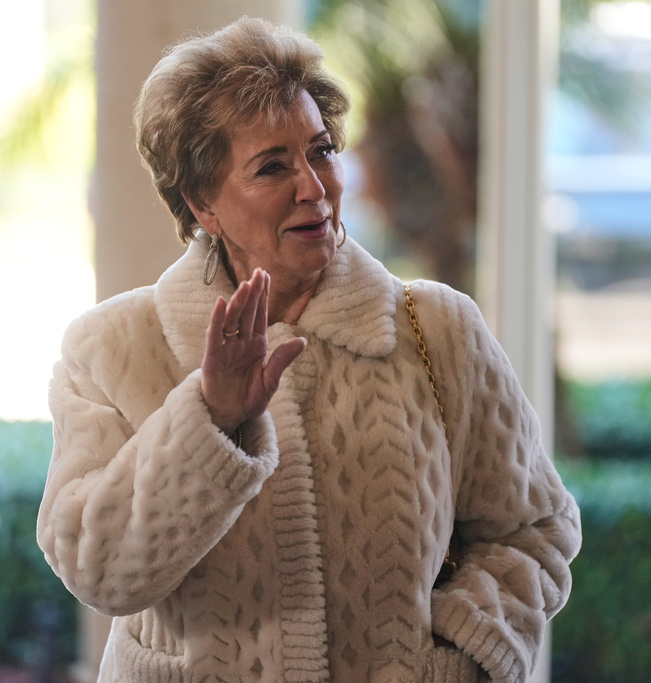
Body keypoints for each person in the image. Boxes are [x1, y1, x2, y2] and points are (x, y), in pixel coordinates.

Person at [37, 16, 581, 683]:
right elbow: (99, 569)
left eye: (321, 150)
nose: (314, 186)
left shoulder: (440, 330)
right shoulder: (111, 348)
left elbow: (534, 530)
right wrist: (210, 420)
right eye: (272, 166)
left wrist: (459, 661)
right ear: (202, 202)